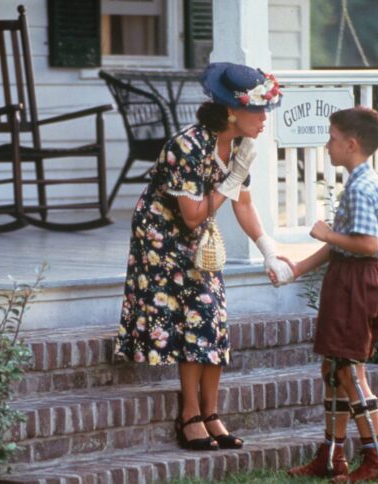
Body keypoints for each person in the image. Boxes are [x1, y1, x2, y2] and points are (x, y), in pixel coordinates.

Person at [114, 62, 295, 451]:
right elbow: (193, 214)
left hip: (198, 238)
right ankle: (189, 415)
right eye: (259, 110)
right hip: (161, 236)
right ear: (232, 110)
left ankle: (211, 414)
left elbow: (243, 204)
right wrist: (230, 182)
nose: (265, 120)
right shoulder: (187, 146)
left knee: (212, 318)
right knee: (191, 320)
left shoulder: (241, 146)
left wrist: (269, 251)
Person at [276, 107, 378, 482]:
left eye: (331, 138)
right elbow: (343, 245)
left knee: (347, 369)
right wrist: (297, 268)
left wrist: (327, 233)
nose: (326, 145)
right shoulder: (361, 182)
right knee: (333, 370)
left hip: (355, 283)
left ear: (351, 143)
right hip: (350, 278)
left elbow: (367, 244)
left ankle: (377, 461)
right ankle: (332, 456)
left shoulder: (361, 187)